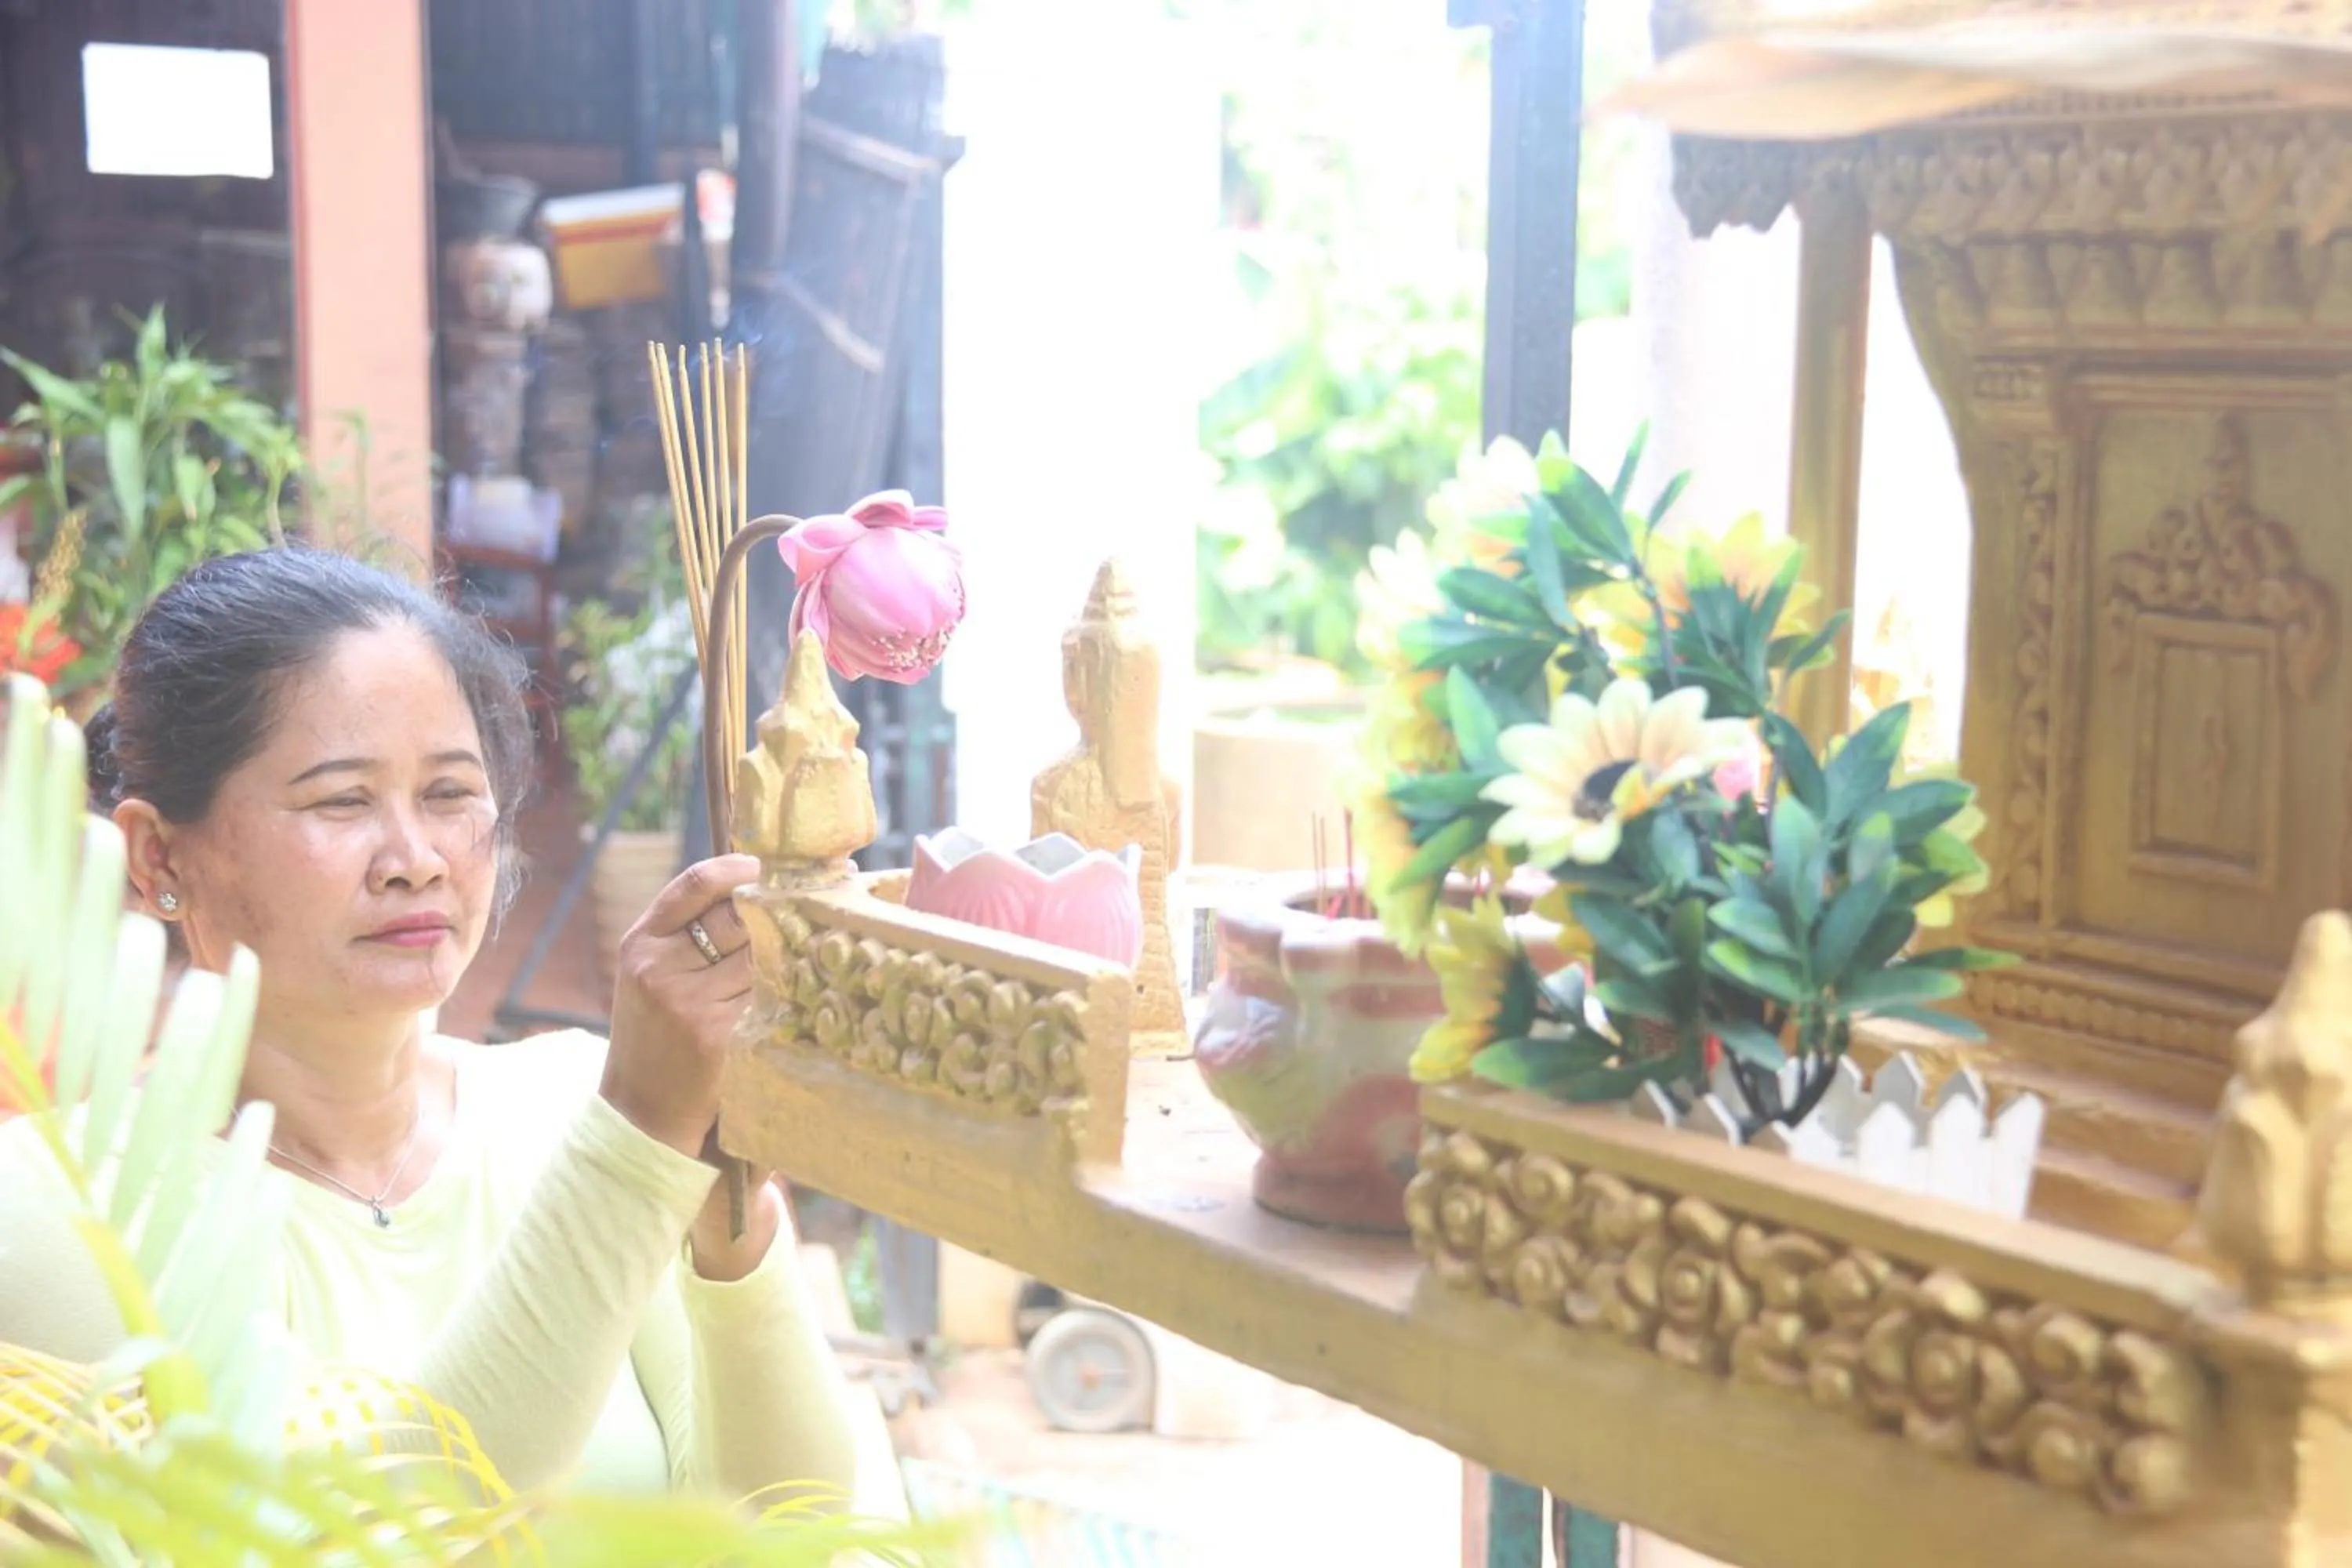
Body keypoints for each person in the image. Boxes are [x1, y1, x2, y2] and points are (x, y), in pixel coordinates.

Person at [0, 547, 857, 1503]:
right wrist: (640, 1142)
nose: (415, 858)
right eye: (341, 799)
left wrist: (736, 1242)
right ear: (159, 854)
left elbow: (792, 1528)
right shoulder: (62, 1204)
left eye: (450, 793)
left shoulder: (569, 1102)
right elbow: (378, 1532)